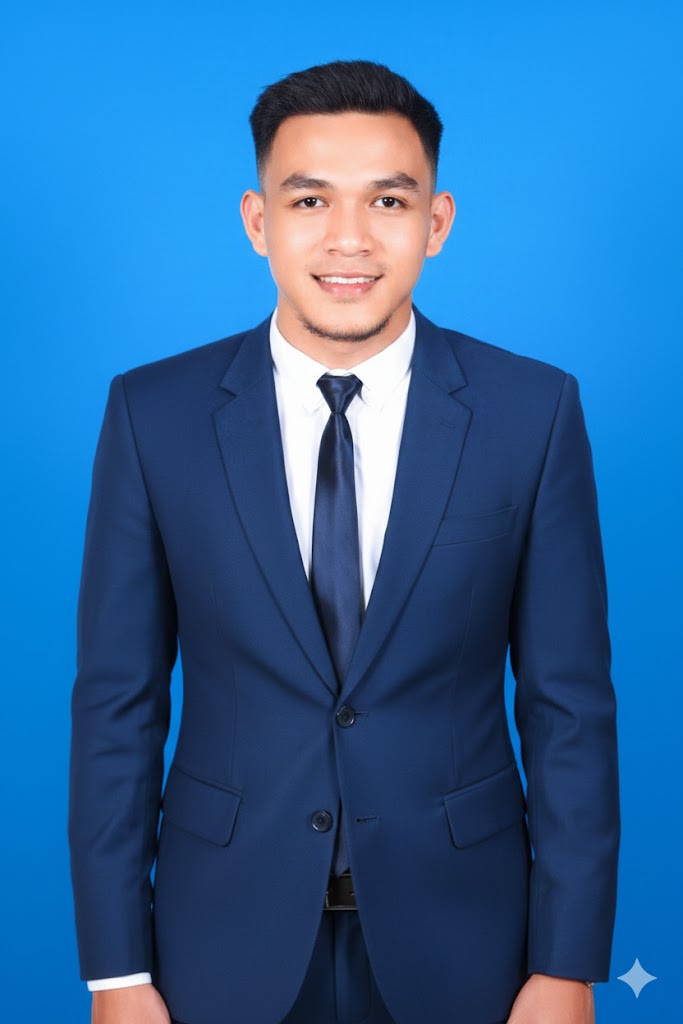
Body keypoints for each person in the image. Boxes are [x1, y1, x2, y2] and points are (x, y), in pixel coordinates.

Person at [69, 59, 620, 1024]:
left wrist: (566, 965)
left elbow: (568, 707)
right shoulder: (152, 415)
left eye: (388, 201)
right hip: (218, 940)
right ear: (258, 221)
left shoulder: (531, 412)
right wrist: (115, 973)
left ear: (437, 222)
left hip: (467, 941)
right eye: (310, 200)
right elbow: (118, 708)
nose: (349, 239)